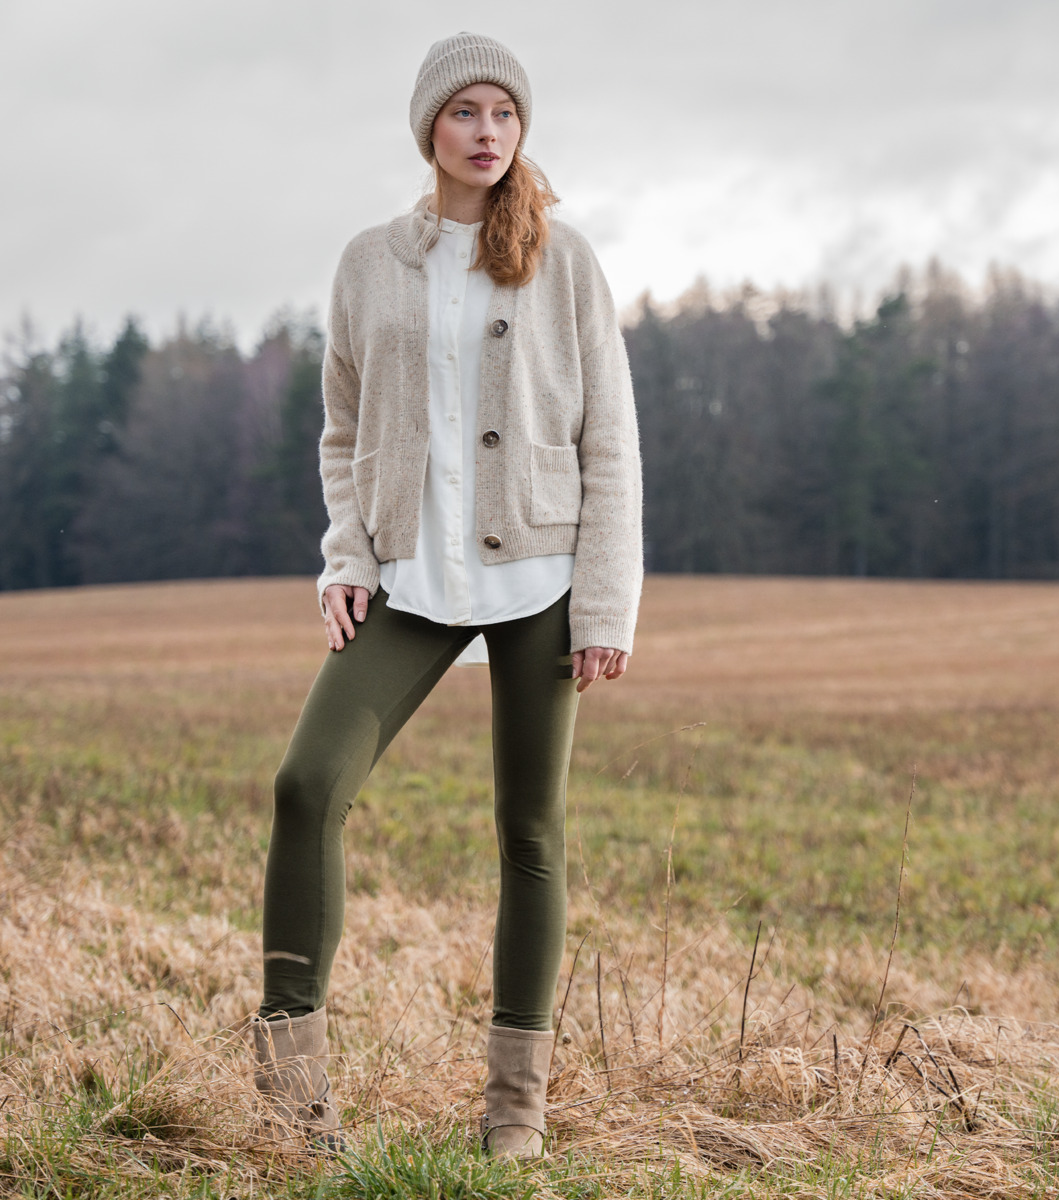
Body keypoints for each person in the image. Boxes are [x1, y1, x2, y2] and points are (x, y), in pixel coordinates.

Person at [248, 32, 643, 1161]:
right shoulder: (371, 260)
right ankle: (292, 1103)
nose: (485, 132)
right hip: (410, 576)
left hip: (541, 580)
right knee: (307, 784)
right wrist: (347, 556)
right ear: (430, 127)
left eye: (504, 115)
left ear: (521, 132)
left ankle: (515, 1115)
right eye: (465, 112)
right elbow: (340, 428)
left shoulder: (564, 262)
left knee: (531, 828)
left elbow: (609, 441)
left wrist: (606, 605)